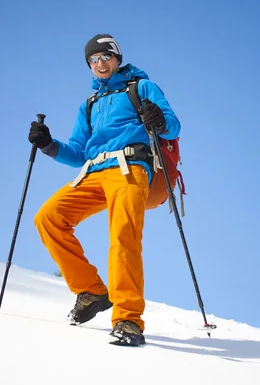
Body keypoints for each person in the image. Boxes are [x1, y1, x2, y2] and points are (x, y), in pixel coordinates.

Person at [28, 34, 180, 346]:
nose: (100, 64)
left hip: (131, 167)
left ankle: (128, 320)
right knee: (48, 218)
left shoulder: (142, 87)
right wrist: (48, 144)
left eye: (105, 57)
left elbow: (174, 126)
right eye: (93, 60)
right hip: (94, 172)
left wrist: (158, 119)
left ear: (117, 58)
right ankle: (91, 291)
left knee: (123, 234)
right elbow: (78, 152)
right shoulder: (90, 105)